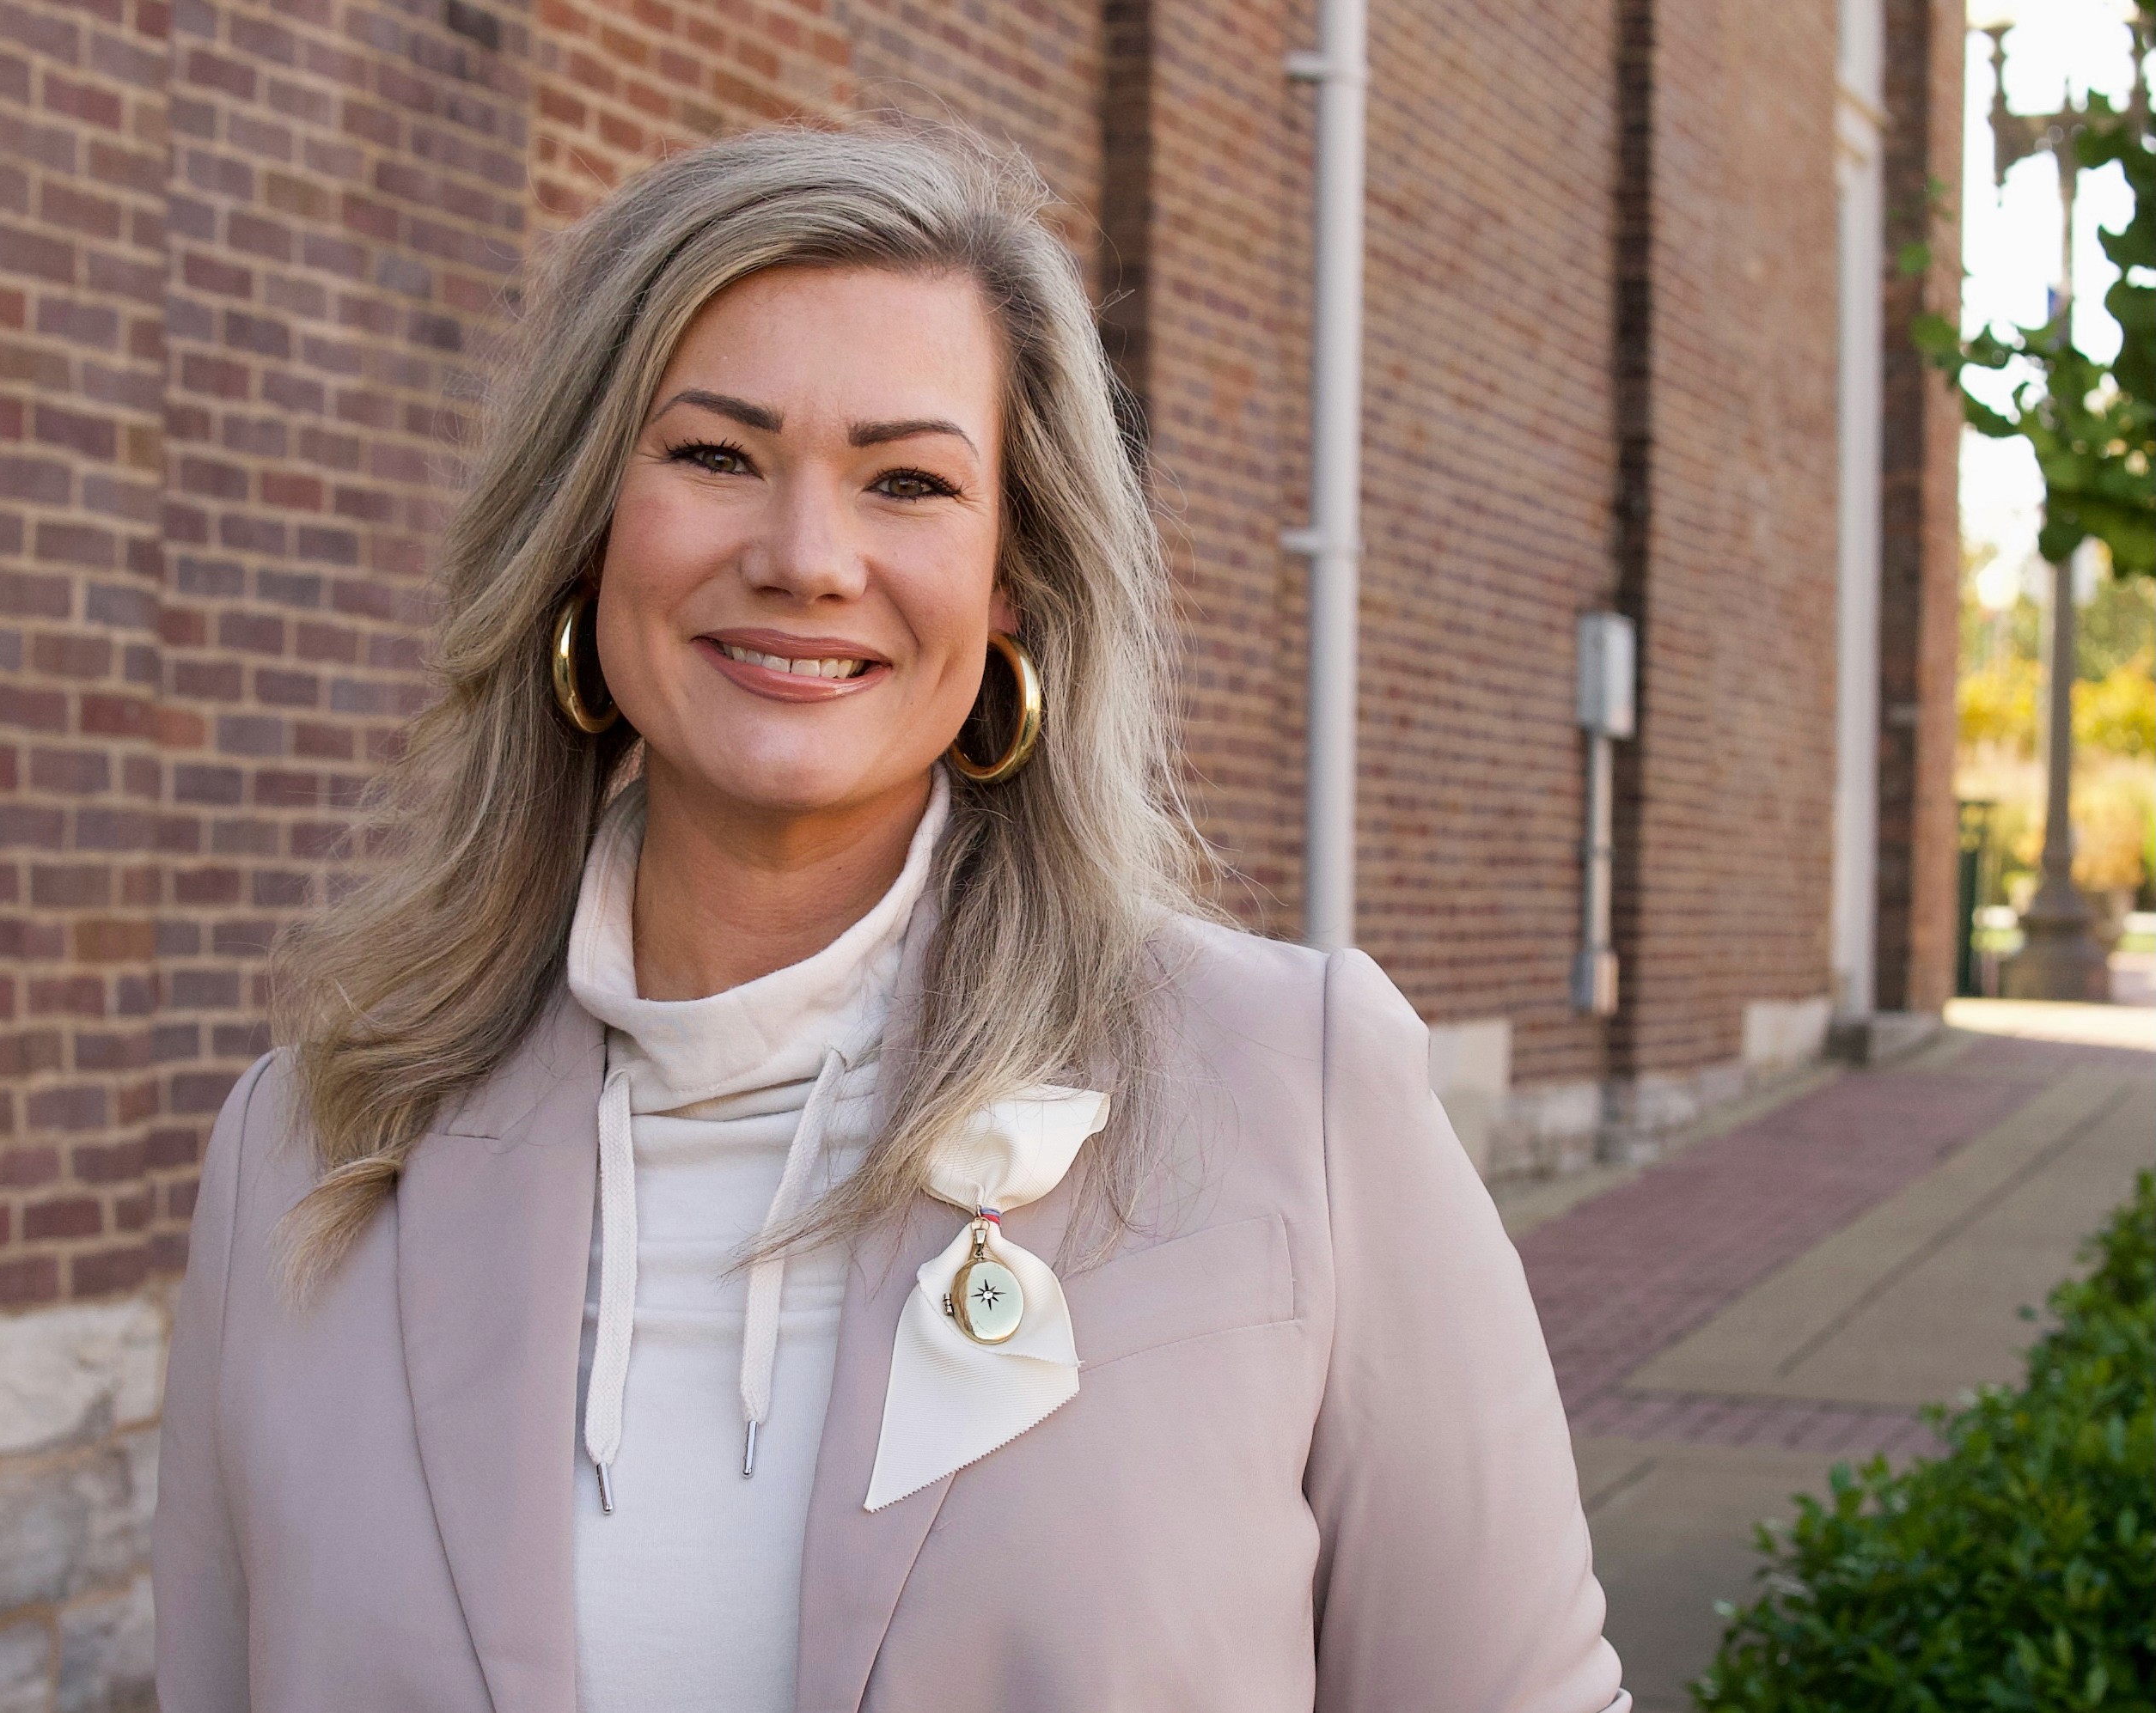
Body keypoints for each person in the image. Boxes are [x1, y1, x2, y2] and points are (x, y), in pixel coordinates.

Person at [153, 120, 1629, 1713]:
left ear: (1011, 581)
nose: (805, 558)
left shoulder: (1294, 1089)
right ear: (584, 526)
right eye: (713, 455)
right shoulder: (305, 1150)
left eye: (908, 480)